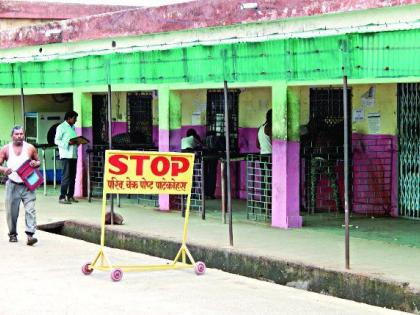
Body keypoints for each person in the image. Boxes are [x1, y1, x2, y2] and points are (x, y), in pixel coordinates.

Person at [0, 126, 40, 245]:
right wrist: (3, 169)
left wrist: (35, 163)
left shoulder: (30, 148)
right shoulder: (6, 149)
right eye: (17, 134)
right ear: (12, 136)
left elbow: (38, 161)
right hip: (12, 184)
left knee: (30, 210)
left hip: (28, 184)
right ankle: (12, 234)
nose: (19, 136)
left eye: (21, 134)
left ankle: (30, 235)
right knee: (11, 212)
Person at [55, 110, 79, 204]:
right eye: (74, 118)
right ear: (69, 118)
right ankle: (62, 196)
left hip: (73, 155)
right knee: (66, 176)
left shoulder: (73, 127)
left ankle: (70, 195)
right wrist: (67, 143)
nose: (76, 120)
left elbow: (73, 140)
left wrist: (78, 143)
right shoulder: (61, 127)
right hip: (65, 155)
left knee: (73, 176)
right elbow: (56, 140)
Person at [256, 109, 272, 212]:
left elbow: (257, 145)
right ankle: (269, 204)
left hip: (262, 155)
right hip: (270, 156)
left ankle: (264, 204)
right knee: (270, 181)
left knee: (264, 181)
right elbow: (277, 142)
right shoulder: (270, 127)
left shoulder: (260, 128)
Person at [203, 131, 222, 199]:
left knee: (204, 175)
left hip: (205, 157)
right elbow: (221, 147)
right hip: (214, 157)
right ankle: (210, 194)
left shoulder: (204, 139)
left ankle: (204, 193)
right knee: (212, 174)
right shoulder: (216, 139)